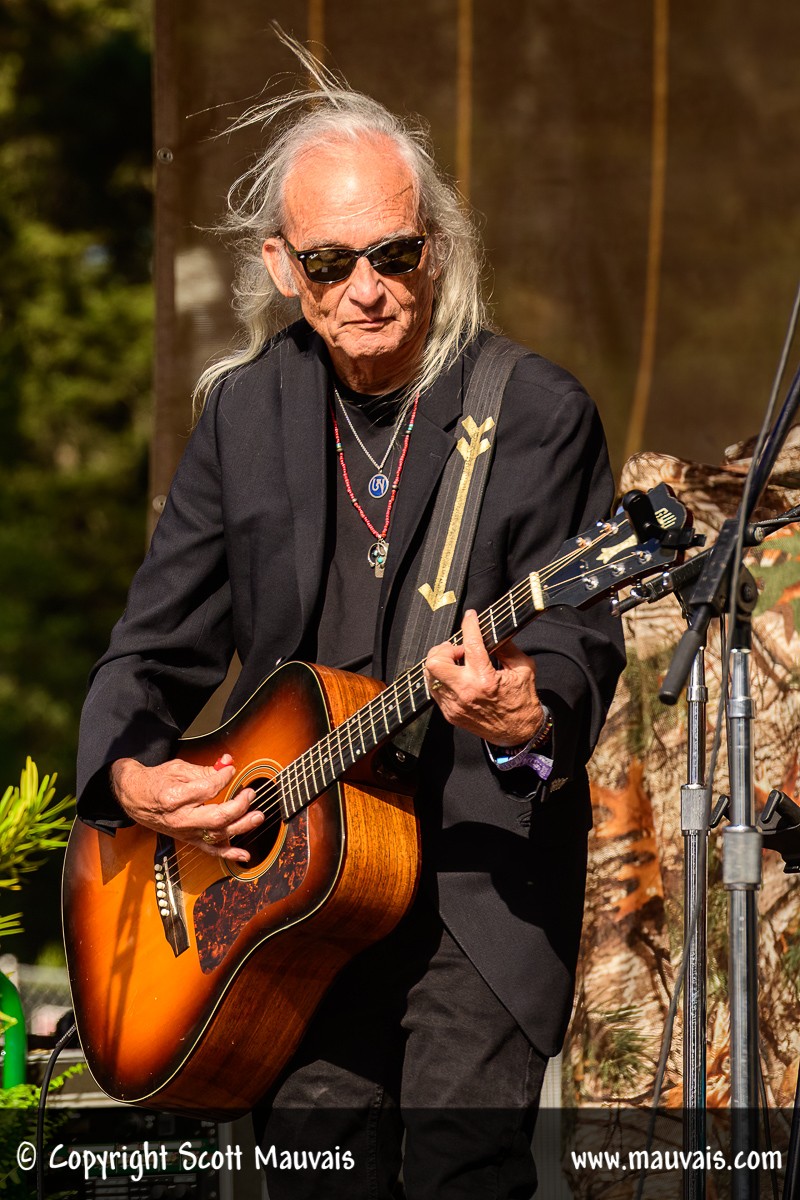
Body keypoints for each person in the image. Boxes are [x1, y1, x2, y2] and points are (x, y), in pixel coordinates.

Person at [76, 36, 625, 1200]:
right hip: (283, 908)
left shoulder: (529, 414)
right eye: (329, 262)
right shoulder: (242, 414)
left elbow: (575, 640)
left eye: (391, 253)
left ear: (436, 247)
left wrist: (523, 714)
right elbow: (153, 649)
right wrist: (131, 778)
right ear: (280, 264)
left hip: (476, 882)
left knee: (459, 1172)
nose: (364, 288)